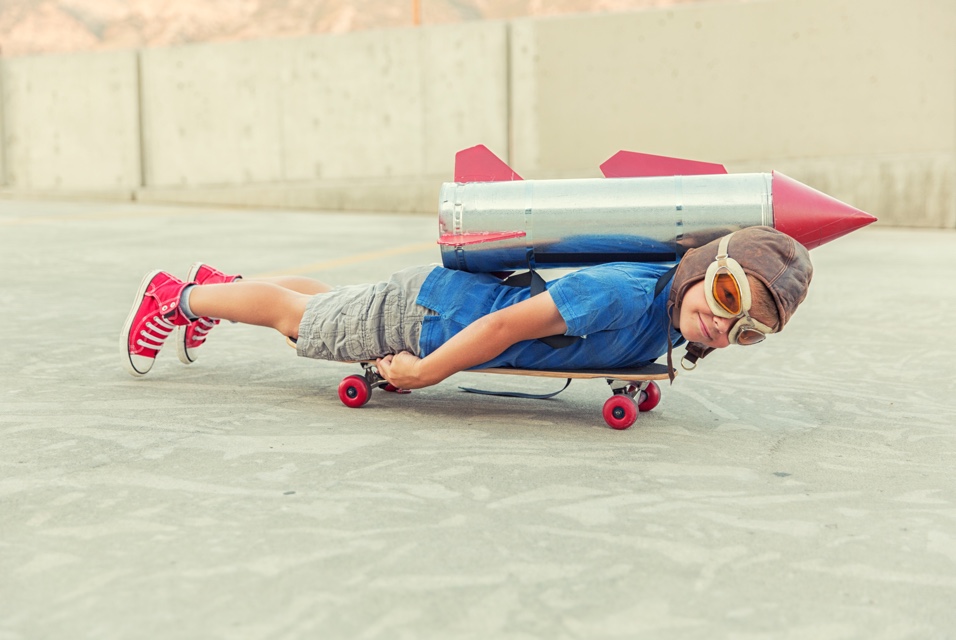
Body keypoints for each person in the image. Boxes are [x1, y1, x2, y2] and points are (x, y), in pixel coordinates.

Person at [120, 226, 812, 388]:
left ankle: (218, 286)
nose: (724, 326)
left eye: (746, 332)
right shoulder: (623, 295)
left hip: (438, 305)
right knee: (297, 319)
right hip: (432, 319)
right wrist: (423, 373)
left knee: (328, 303)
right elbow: (506, 326)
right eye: (728, 298)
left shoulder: (666, 304)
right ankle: (177, 298)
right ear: (704, 267)